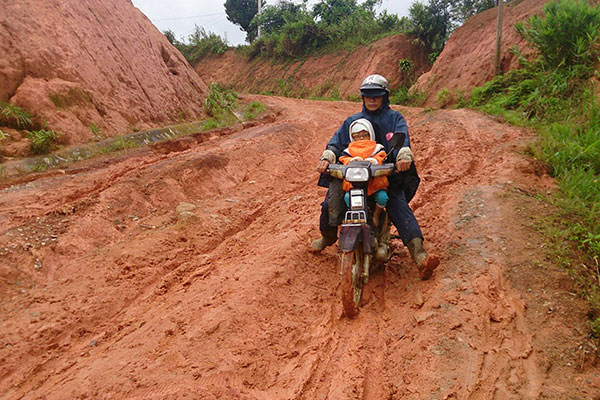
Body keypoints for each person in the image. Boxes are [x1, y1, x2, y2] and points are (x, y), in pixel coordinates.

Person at [311, 74, 439, 280]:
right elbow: (336, 142)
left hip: (384, 177)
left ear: (385, 97)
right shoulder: (352, 121)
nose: (372, 99)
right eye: (368, 96)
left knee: (398, 206)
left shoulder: (394, 118)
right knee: (329, 204)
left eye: (377, 95)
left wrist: (404, 155)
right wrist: (327, 156)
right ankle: (327, 237)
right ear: (362, 97)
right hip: (354, 177)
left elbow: (402, 138)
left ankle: (420, 255)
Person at [339, 118, 389, 227]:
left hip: (374, 183)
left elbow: (382, 157)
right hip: (355, 184)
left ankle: (376, 215)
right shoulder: (348, 150)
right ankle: (354, 216)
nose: (361, 138)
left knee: (382, 197)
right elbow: (343, 159)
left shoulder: (377, 148)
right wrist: (351, 160)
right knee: (348, 197)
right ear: (352, 137)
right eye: (357, 135)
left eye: (364, 135)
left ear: (370, 134)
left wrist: (375, 160)